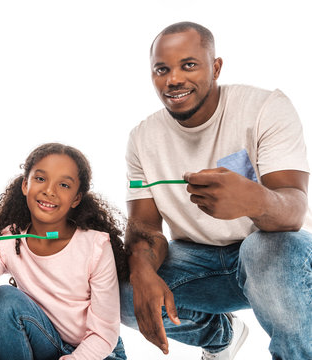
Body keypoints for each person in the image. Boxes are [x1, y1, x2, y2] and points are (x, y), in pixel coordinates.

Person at [121, 21, 312, 360]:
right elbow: (145, 227)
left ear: (216, 67)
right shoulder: (142, 138)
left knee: (262, 248)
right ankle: (221, 336)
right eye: (161, 69)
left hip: (275, 257)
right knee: (118, 286)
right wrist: (141, 270)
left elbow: (294, 207)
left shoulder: (265, 108)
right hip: (199, 263)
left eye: (188, 65)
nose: (173, 79)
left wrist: (253, 199)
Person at [0, 143, 129, 360]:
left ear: (77, 198)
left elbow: (104, 335)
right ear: (25, 185)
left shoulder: (96, 246)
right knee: (0, 301)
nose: (49, 191)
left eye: (64, 185)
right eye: (40, 179)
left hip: (96, 353)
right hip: (44, 342)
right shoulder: (9, 240)